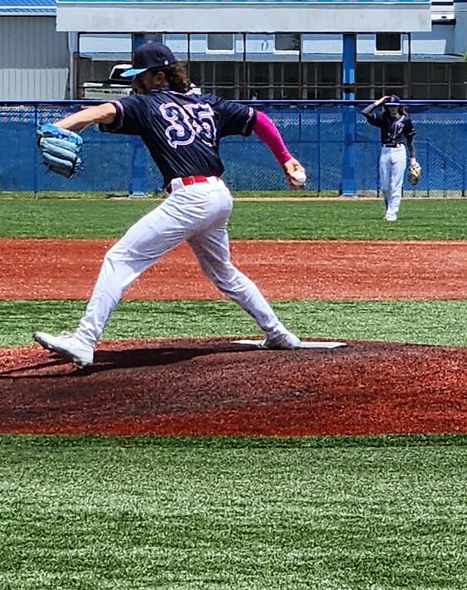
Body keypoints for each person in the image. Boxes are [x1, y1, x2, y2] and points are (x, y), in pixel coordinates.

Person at [33, 41, 304, 367]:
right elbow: (258, 118)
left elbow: (102, 111)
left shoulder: (148, 103)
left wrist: (57, 126)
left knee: (120, 258)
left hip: (190, 198)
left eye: (141, 77)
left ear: (160, 77)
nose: (137, 83)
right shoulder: (208, 103)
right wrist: (286, 158)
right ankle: (278, 333)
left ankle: (84, 339)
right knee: (224, 273)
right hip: (218, 196)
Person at [361, 93, 416, 222]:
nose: (392, 108)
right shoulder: (383, 118)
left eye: (394, 105)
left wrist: (413, 158)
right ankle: (389, 209)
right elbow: (365, 112)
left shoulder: (405, 120)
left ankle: (392, 213)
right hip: (385, 150)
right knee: (385, 186)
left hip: (399, 150)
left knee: (395, 184)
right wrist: (378, 102)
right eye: (390, 105)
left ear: (399, 106)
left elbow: (410, 141)